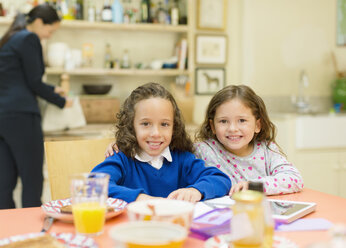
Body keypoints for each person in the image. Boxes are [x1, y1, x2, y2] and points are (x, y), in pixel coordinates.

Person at [91, 82, 231, 203]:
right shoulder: (122, 159)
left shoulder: (182, 159)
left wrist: (196, 190)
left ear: (174, 127)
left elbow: (220, 180)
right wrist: (139, 198)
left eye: (164, 124)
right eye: (146, 123)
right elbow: (93, 183)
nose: (156, 133)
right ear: (131, 126)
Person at [0, 3, 72, 209]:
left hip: (3, 117)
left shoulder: (10, 39)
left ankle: (7, 232)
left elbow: (19, 79)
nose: (50, 36)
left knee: (4, 182)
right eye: (50, 30)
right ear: (39, 22)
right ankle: (33, 231)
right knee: (32, 179)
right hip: (22, 116)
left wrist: (52, 89)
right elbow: (34, 82)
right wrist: (62, 101)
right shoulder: (29, 38)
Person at [194, 85, 303, 195]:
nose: (232, 129)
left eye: (242, 120)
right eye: (223, 121)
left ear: (257, 125)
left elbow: (294, 179)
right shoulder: (203, 151)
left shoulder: (267, 150)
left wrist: (254, 186)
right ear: (212, 126)